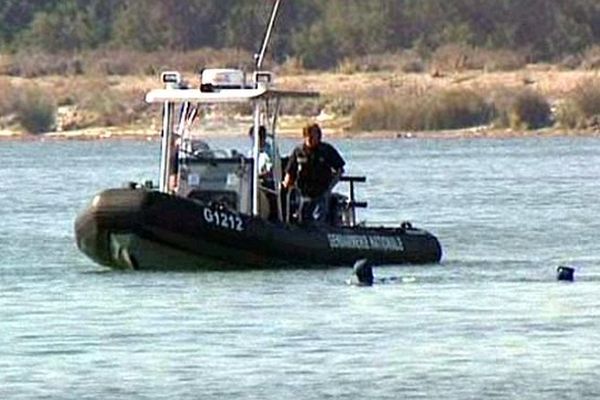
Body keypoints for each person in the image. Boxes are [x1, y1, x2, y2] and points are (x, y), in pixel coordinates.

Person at [283, 123, 345, 222]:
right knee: (302, 219)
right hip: (303, 193)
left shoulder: (326, 150)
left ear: (318, 136)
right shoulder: (299, 151)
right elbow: (290, 171)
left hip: (321, 192)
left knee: (318, 220)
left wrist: (330, 186)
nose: (310, 139)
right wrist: (286, 184)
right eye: (307, 136)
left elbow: (340, 169)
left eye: (312, 136)